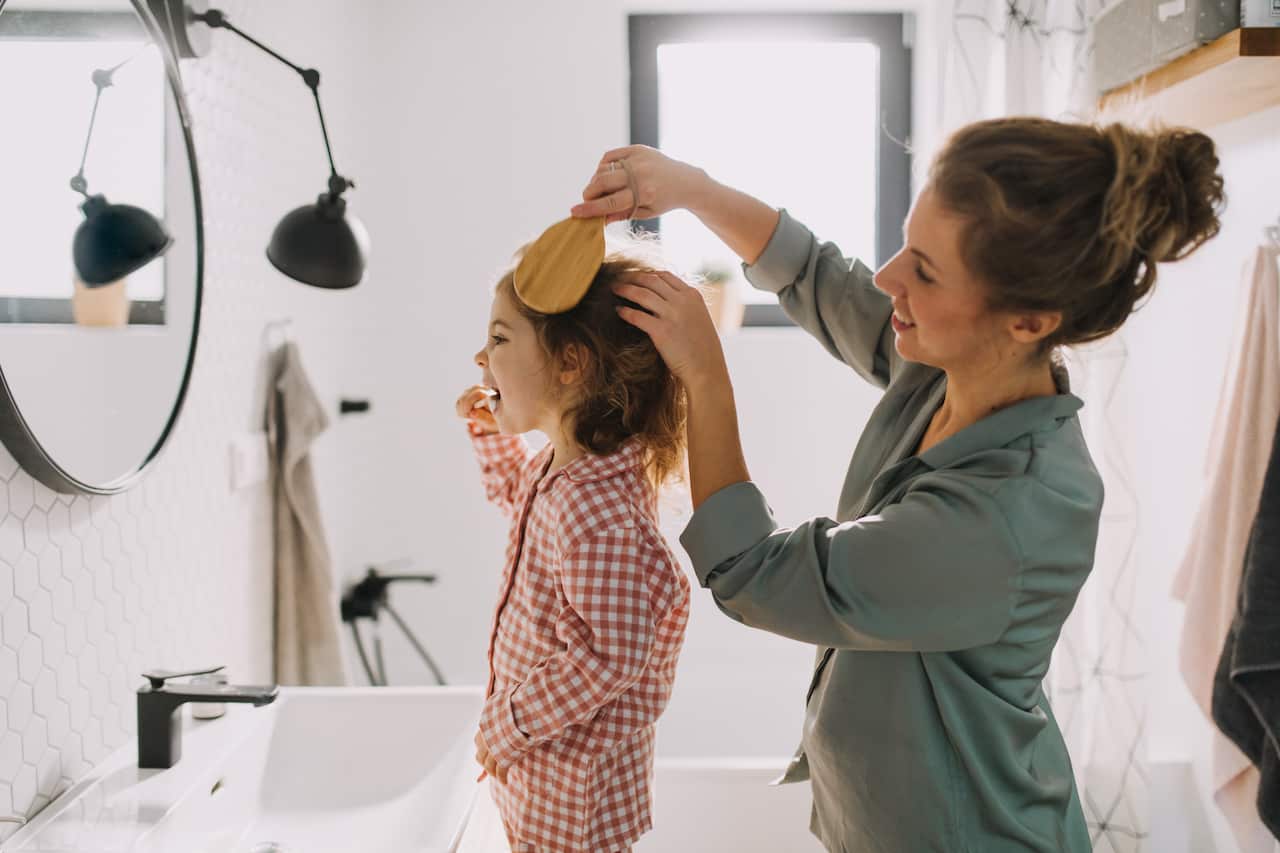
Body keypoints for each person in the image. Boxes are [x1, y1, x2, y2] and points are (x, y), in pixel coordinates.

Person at [569, 117, 1225, 852]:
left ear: (1029, 320)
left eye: (926, 269)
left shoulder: (1005, 517)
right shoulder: (945, 366)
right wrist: (689, 187)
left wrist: (704, 375)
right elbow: (815, 273)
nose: (889, 279)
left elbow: (755, 573)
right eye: (908, 244)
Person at [456, 247, 691, 853]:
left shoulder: (599, 510)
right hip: (544, 777)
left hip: (569, 793)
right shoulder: (567, 469)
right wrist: (489, 437)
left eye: (501, 338)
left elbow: (608, 657)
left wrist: (507, 725)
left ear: (568, 364)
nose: (482, 358)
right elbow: (522, 503)